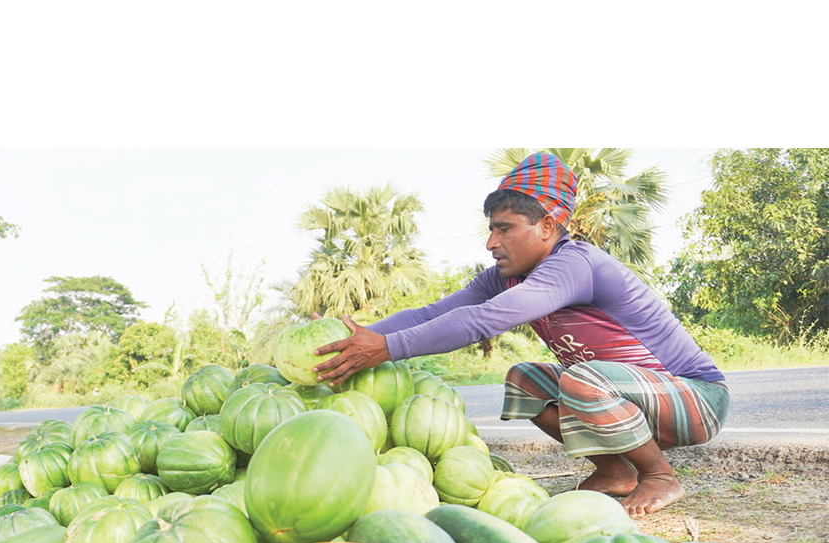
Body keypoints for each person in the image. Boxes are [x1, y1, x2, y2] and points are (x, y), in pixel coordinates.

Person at [312, 152, 730, 517]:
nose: (492, 242)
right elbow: (433, 312)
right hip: (632, 399)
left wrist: (385, 349)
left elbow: (484, 320)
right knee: (524, 378)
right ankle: (615, 470)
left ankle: (659, 476)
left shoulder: (575, 263)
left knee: (581, 379)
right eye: (491, 230)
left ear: (547, 226)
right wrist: (358, 336)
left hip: (695, 398)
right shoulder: (506, 276)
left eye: (505, 229)